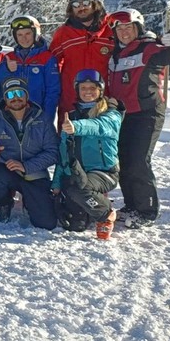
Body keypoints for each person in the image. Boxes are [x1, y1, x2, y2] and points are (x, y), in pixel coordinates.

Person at [106, 8, 170, 228]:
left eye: (128, 27)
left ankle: (147, 211)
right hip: (123, 114)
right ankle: (132, 205)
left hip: (146, 112)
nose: (124, 32)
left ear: (138, 28)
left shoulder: (147, 47)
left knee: (139, 160)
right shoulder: (115, 54)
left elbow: (168, 54)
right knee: (125, 160)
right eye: (119, 28)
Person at [0, 77, 59, 229]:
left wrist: (25, 166)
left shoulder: (42, 118)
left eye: (19, 93)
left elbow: (53, 152)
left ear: (26, 96)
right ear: (5, 99)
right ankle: (4, 203)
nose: (15, 98)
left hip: (35, 174)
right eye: (9, 94)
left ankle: (30, 202)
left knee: (46, 223)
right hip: (7, 170)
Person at [52, 70, 122, 239]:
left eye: (93, 88)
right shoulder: (72, 117)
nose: (88, 91)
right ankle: (92, 205)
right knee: (75, 225)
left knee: (79, 189)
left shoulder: (111, 114)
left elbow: (97, 126)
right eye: (83, 88)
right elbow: (63, 154)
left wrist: (76, 127)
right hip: (76, 173)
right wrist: (56, 182)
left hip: (104, 173)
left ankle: (106, 213)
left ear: (101, 90)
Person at [49, 0, 114, 120]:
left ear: (94, 4)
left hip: (102, 100)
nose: (81, 8)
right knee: (69, 138)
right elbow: (51, 61)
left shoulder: (110, 29)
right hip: (71, 99)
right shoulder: (64, 33)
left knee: (101, 138)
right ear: (70, 8)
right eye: (76, 4)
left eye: (85, 3)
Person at [0, 15, 60, 123]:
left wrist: (47, 119)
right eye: (19, 35)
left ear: (36, 34)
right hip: (12, 115)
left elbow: (52, 92)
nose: (24, 38)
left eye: (28, 34)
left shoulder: (47, 58)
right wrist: (6, 69)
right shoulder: (10, 57)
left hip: (36, 116)